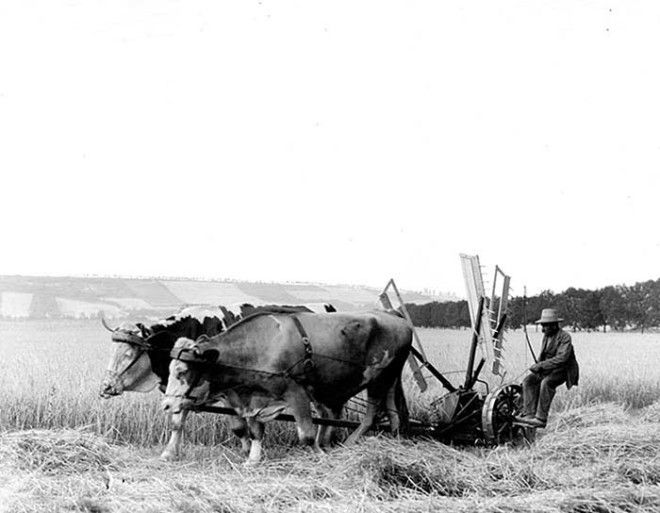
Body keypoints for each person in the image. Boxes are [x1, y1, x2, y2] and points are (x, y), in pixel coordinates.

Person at [516, 308, 579, 428]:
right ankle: (529, 414)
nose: (543, 329)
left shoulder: (565, 337)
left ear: (554, 325)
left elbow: (562, 358)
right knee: (528, 381)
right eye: (542, 325)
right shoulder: (546, 336)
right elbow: (543, 355)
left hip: (563, 370)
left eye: (545, 326)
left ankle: (541, 418)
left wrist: (540, 365)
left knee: (546, 382)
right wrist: (538, 367)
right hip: (549, 369)